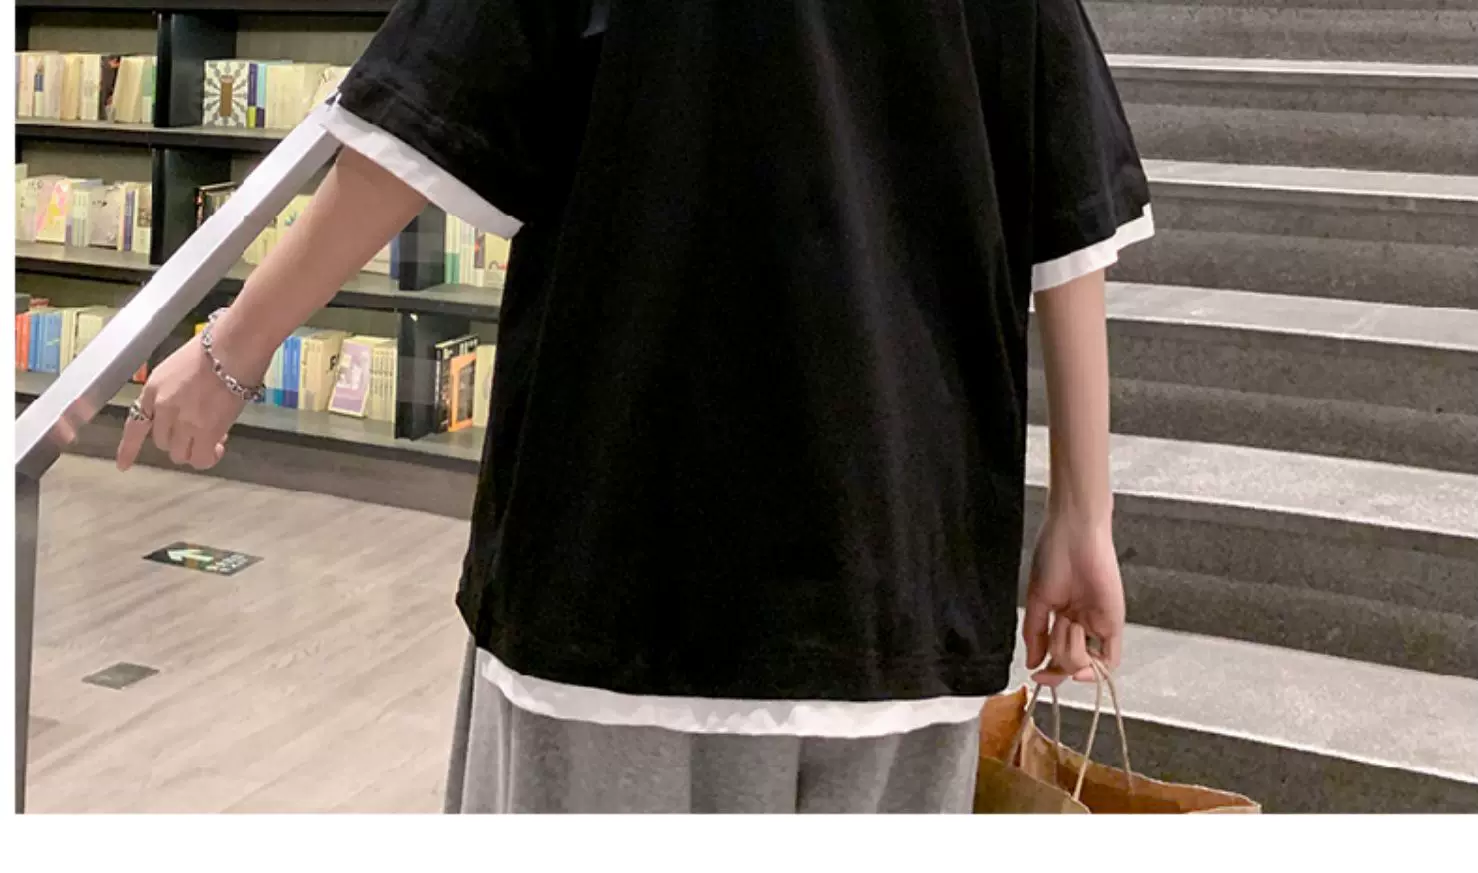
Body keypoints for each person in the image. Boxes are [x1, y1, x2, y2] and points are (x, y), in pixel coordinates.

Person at [115, 0, 1147, 814]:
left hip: (625, 552)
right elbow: (1065, 196)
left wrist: (231, 352)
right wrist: (1082, 513)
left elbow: (423, 119)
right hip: (897, 564)